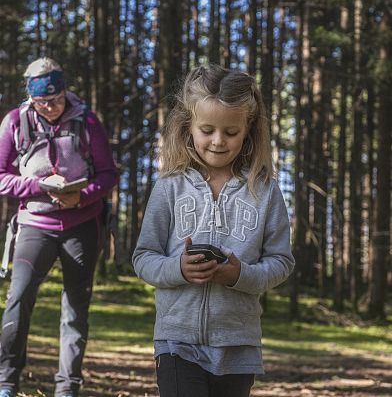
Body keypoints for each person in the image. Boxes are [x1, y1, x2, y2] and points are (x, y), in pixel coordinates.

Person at [132, 64, 295, 397]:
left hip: (238, 344)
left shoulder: (265, 191)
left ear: (248, 129)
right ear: (188, 125)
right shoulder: (169, 187)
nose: (218, 141)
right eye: (207, 129)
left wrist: (240, 275)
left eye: (231, 132)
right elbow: (143, 257)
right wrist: (177, 268)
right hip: (175, 341)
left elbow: (281, 262)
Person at [0, 57, 118, 397]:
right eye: (43, 102)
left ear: (66, 91)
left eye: (57, 99)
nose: (51, 107)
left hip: (82, 225)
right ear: (31, 99)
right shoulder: (14, 122)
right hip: (34, 223)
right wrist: (40, 186)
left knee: (75, 308)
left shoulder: (87, 121)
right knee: (18, 299)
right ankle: (7, 380)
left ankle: (67, 387)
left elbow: (108, 174)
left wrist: (80, 197)